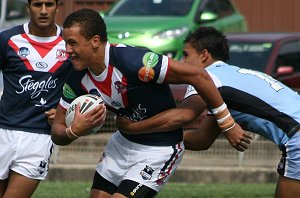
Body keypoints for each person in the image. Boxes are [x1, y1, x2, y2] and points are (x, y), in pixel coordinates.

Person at [51, 9, 248, 198]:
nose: (68, 50)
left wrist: (227, 123)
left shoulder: (134, 61)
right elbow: (57, 131)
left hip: (159, 150)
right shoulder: (76, 77)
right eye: (66, 44)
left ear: (95, 41)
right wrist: (73, 131)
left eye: (72, 43)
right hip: (122, 144)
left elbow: (199, 76)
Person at [116, 26, 300, 198]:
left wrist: (136, 129)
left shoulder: (208, 78)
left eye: (186, 55)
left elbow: (183, 115)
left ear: (204, 55)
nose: (181, 61)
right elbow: (203, 139)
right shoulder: (230, 79)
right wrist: (160, 138)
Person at [0, 0, 72, 197]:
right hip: (2, 131)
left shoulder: (69, 42)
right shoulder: (7, 39)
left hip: (38, 138)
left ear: (58, 6)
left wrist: (65, 111)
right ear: (27, 7)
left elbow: (86, 82)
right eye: (37, 4)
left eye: (48, 4)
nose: (43, 11)